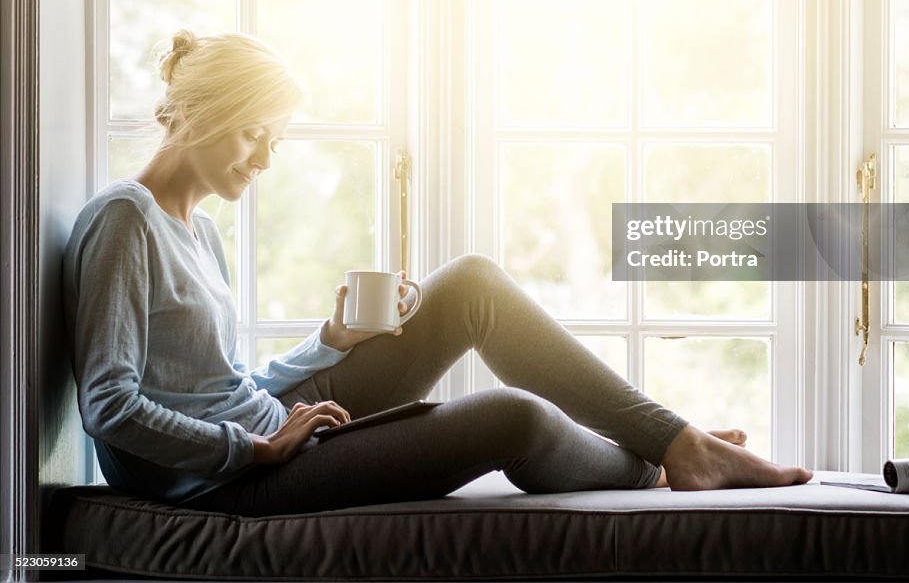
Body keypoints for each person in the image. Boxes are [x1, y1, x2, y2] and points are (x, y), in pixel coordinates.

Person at [63, 29, 812, 516]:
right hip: (232, 478)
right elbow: (111, 410)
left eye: (275, 141)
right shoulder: (124, 220)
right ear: (197, 114)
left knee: (473, 284)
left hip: (270, 432)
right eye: (254, 134)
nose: (264, 160)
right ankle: (666, 464)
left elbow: (225, 386)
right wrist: (256, 451)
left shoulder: (197, 232)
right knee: (509, 417)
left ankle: (675, 444)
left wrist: (331, 340)